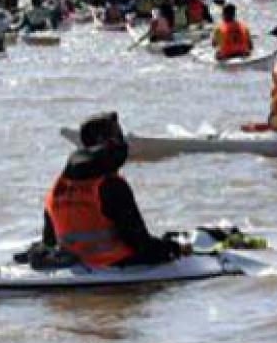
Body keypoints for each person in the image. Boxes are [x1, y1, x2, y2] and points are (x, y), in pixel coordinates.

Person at [42, 112, 183, 268]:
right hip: (112, 262)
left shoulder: (58, 186)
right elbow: (140, 245)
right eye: (120, 137)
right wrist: (174, 248)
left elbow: (49, 242)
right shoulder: (112, 186)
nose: (124, 143)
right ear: (106, 143)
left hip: (73, 264)